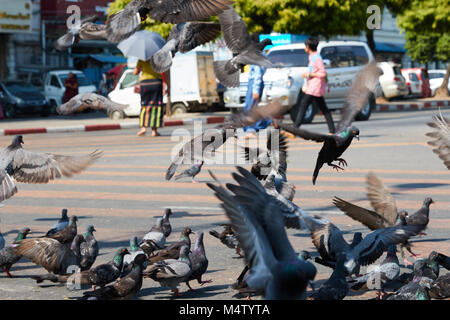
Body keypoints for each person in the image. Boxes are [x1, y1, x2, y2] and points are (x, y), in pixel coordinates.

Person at [294, 36, 335, 133]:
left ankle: (295, 128)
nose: (304, 48)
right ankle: (332, 130)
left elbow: (323, 73)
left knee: (304, 105)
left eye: (305, 46)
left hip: (315, 87)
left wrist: (310, 74)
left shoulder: (317, 58)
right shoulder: (312, 57)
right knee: (323, 108)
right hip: (314, 86)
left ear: (308, 47)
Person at [242, 34, 272, 139]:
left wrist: (255, 89)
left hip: (255, 83)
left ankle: (251, 130)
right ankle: (267, 122)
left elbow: (258, 73)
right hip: (255, 83)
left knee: (250, 107)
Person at [134, 59, 165, 136]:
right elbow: (164, 73)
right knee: (156, 106)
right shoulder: (159, 58)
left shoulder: (141, 59)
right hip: (156, 83)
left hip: (145, 84)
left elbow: (135, 72)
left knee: (144, 105)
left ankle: (143, 128)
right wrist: (167, 87)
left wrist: (140, 69)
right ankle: (154, 131)